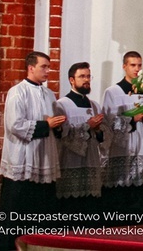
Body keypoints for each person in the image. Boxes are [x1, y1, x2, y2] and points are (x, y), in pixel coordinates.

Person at [0, 51, 65, 251]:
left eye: (48, 66)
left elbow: (53, 122)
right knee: (15, 214)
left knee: (40, 214)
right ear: (31, 68)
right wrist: (46, 124)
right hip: (22, 163)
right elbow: (15, 125)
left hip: (43, 161)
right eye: (44, 66)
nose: (48, 70)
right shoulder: (17, 92)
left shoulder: (49, 94)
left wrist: (58, 125)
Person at [101, 51, 143, 221]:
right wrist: (131, 119)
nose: (137, 69)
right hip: (123, 150)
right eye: (133, 65)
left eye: (139, 65)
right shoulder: (112, 92)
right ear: (124, 66)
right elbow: (108, 123)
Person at [54, 62, 106, 222]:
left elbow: (104, 137)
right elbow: (63, 136)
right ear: (71, 80)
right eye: (82, 76)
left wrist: (97, 130)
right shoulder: (62, 105)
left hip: (91, 161)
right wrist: (86, 127)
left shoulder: (94, 105)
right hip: (70, 163)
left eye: (88, 76)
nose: (86, 80)